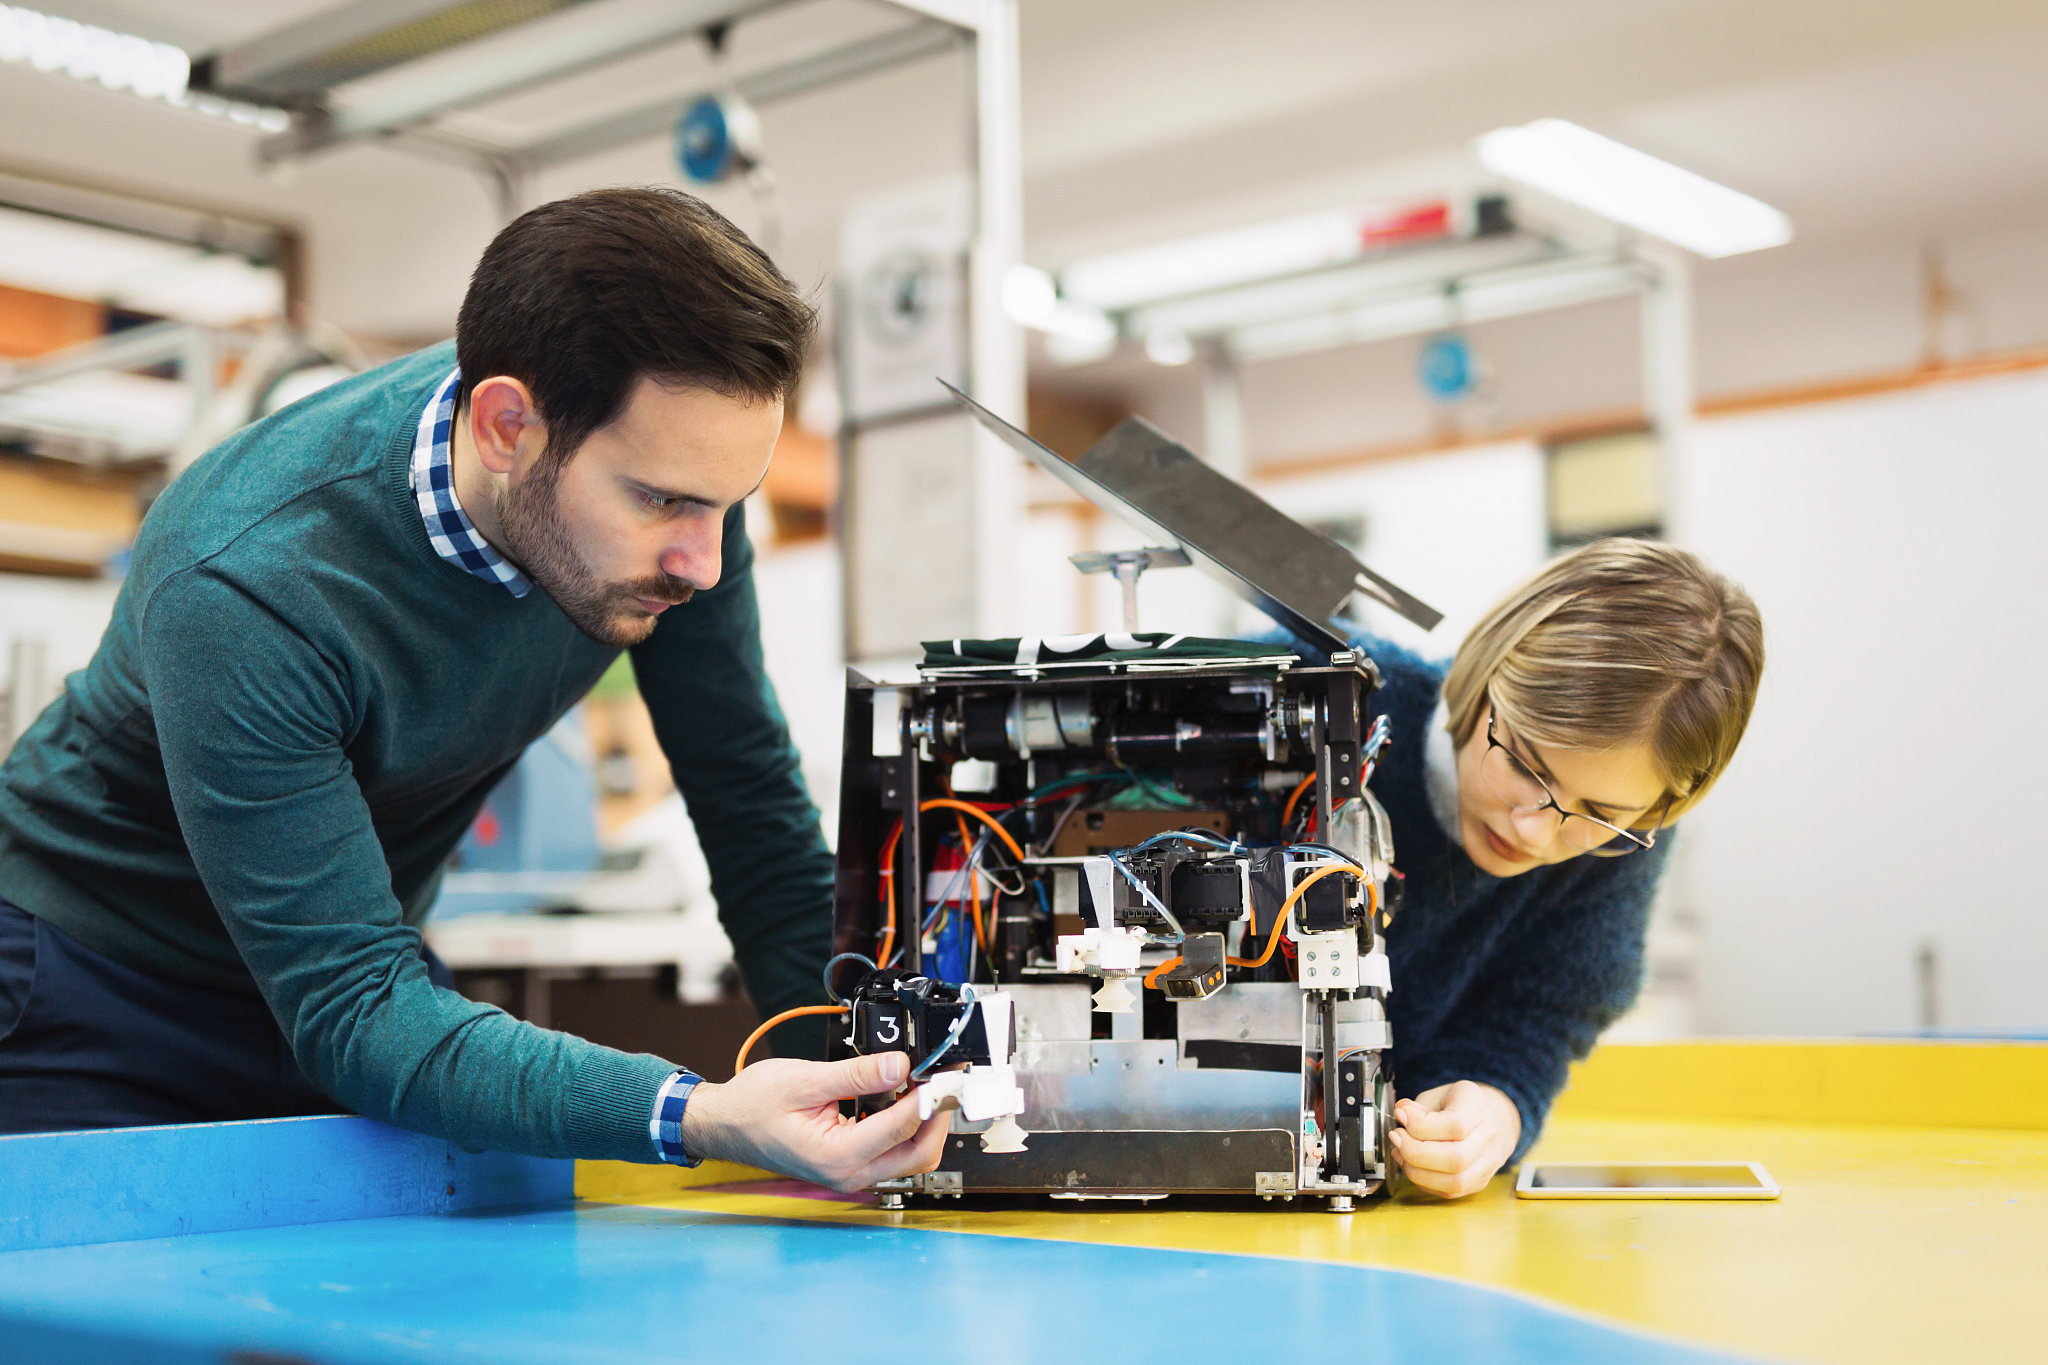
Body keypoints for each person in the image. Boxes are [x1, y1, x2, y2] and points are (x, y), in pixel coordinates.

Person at [0, 186, 947, 1191]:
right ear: (506, 427)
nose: (704, 562)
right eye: (661, 500)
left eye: (727, 505)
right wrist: (698, 1114)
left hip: (360, 980)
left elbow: (748, 800)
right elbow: (355, 1014)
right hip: (93, 982)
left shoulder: (677, 491)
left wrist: (862, 1085)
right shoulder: (249, 582)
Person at [1349, 538, 1763, 1198]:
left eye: (1598, 812)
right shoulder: (1327, 691)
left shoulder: (1624, 846)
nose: (1534, 830)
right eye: (1524, 763)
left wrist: (1492, 1107)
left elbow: (1535, 1022)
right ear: (1488, 673)